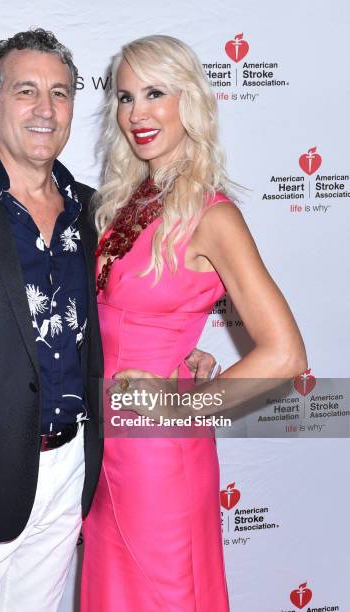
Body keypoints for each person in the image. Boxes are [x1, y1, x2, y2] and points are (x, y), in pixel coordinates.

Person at [0, 28, 215, 611]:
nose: (45, 109)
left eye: (61, 93)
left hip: (71, 476)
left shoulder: (98, 210)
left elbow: (123, 316)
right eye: (26, 91)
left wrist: (182, 356)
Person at [80, 35, 307, 611]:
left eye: (155, 93)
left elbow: (284, 356)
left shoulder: (214, 215)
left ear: (191, 101)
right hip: (104, 450)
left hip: (160, 459)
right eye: (126, 98)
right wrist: (186, 350)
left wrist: (179, 406)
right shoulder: (128, 200)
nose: (138, 113)